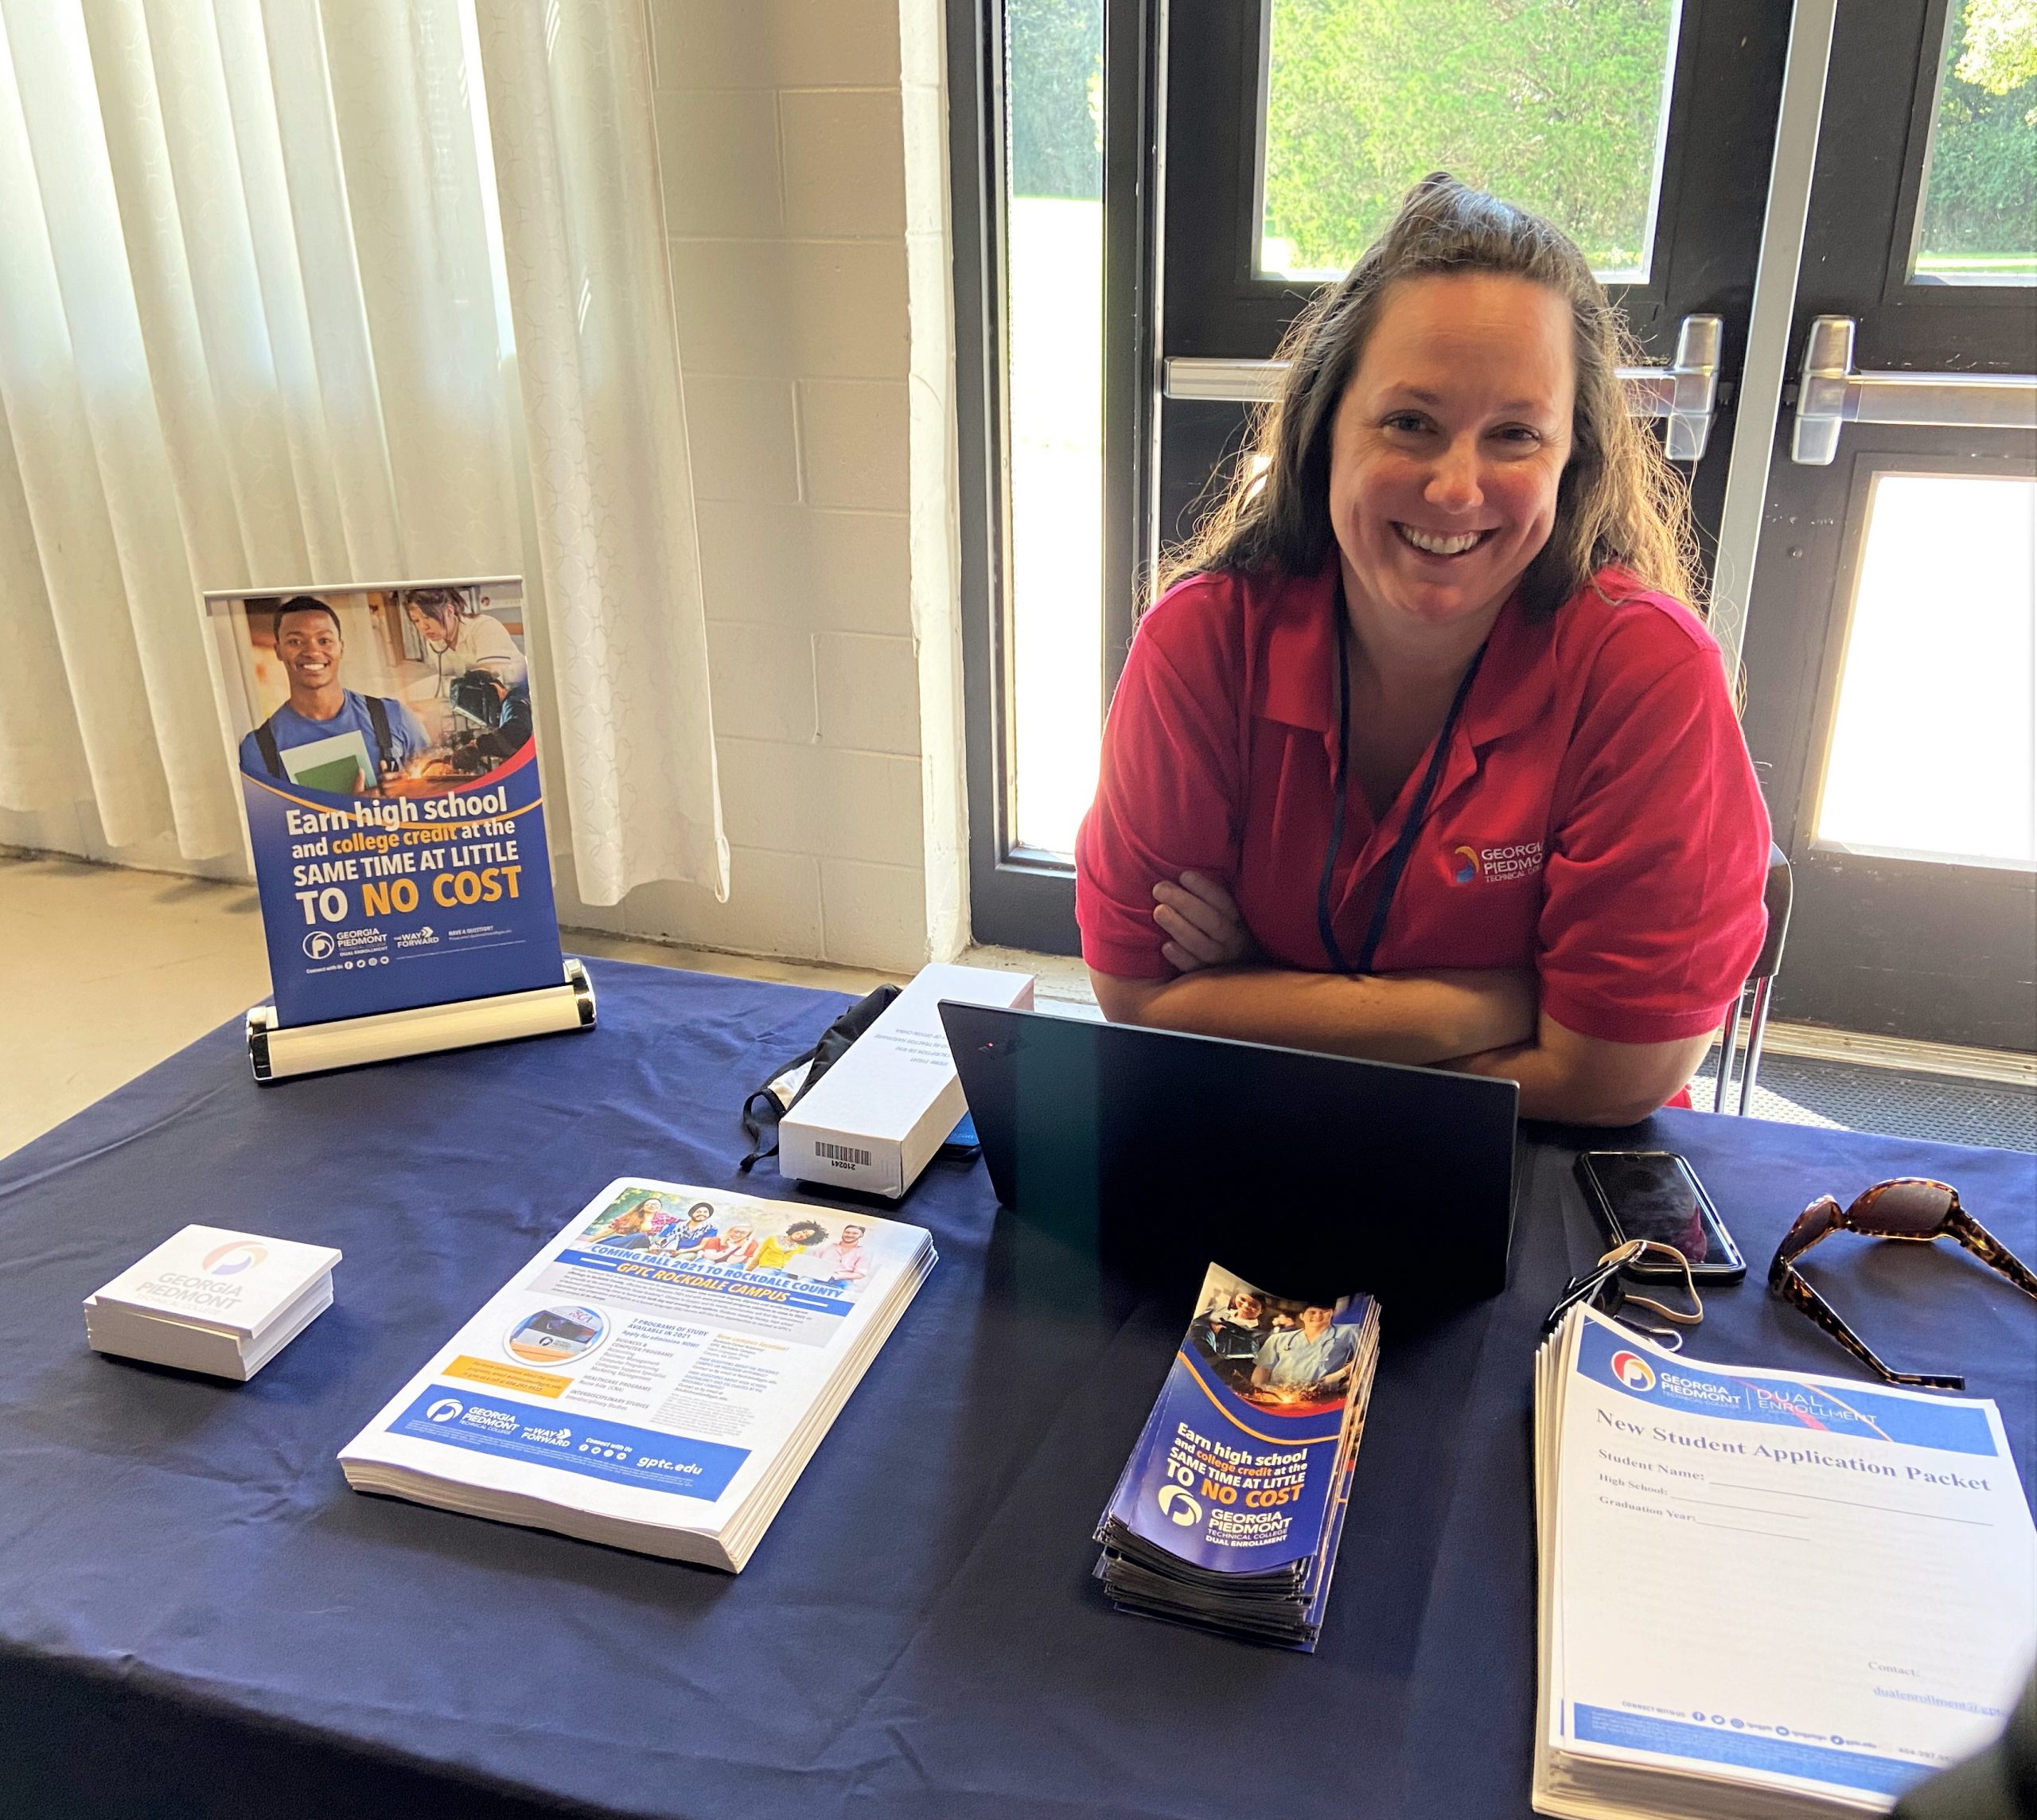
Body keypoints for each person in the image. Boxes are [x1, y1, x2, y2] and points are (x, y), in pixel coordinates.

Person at [1076, 175, 1771, 1126]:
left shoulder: (1650, 675)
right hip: (1271, 1148)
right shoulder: (1201, 641)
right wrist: (1503, 997)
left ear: (1573, 459)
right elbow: (1139, 1001)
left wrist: (1253, 989)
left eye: (1515, 435)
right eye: (1411, 422)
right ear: (1326, 428)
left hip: (1552, 1171)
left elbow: (1611, 1081)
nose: (1454, 489)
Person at [238, 597, 430, 792]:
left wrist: (406, 796)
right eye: (295, 641)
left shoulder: (394, 717)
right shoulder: (258, 749)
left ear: (341, 647)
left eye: (324, 640)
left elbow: (442, 794)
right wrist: (350, 814)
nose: (312, 651)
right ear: (278, 650)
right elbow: (266, 821)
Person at [402, 588, 529, 692]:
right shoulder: (434, 642)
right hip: (477, 701)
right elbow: (448, 680)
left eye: (428, 617)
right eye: (416, 621)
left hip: (517, 695)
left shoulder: (483, 627)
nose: (423, 627)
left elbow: (490, 677)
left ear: (449, 611)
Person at [1252, 1304, 1359, 1401]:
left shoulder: (1349, 1332)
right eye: (1312, 1312)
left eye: (1325, 1311)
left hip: (1321, 1400)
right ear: (1302, 1316)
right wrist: (1263, 1397)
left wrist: (1339, 1374)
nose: (1318, 1316)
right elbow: (1260, 1375)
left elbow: (1367, 1357)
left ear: (1333, 1312)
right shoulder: (1278, 1339)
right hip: (1280, 1399)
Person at [799, 1223, 870, 1288]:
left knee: (850, 1290)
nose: (850, 1235)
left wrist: (837, 1276)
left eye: (855, 1233)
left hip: (843, 1281)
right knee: (802, 1282)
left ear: (861, 1235)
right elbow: (814, 1261)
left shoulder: (864, 1252)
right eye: (847, 1232)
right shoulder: (827, 1245)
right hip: (818, 1277)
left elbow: (860, 1274)